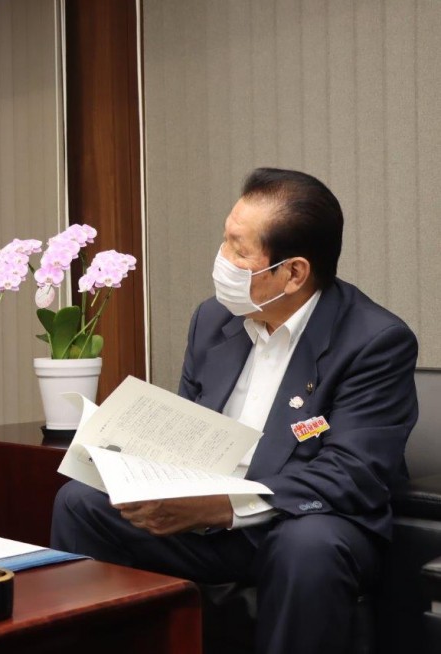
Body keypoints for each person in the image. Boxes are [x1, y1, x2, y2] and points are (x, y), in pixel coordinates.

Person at [51, 168, 419, 654]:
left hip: (300, 519)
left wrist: (225, 507)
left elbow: (352, 473)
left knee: (306, 548)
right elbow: (186, 425)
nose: (222, 260)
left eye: (239, 250)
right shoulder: (213, 319)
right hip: (206, 518)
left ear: (293, 272)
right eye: (225, 240)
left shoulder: (374, 341)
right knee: (80, 503)